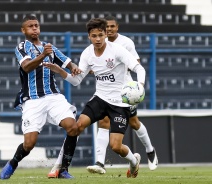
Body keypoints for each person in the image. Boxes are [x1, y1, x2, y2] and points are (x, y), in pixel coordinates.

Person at [47, 15, 158, 178]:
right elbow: (77, 81)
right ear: (89, 36)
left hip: (120, 103)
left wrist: (139, 85)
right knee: (76, 127)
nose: (98, 39)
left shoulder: (118, 50)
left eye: (100, 35)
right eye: (94, 36)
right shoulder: (87, 53)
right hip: (100, 99)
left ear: (106, 34)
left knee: (115, 146)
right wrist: (61, 71)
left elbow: (139, 69)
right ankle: (62, 168)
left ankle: (134, 161)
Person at [0, 14, 80, 180]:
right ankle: (13, 163)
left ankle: (63, 169)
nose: (34, 28)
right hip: (33, 100)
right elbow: (27, 67)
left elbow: (66, 61)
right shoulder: (22, 47)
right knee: (29, 144)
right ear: (23, 30)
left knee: (73, 127)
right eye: (30, 26)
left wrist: (74, 67)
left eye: (36, 25)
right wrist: (43, 55)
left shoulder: (48, 47)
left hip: (53, 96)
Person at [85, 15, 158, 174]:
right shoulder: (97, 43)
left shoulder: (126, 43)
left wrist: (138, 84)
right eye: (107, 27)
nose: (109, 29)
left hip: (126, 91)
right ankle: (99, 162)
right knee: (103, 121)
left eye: (112, 26)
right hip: (106, 91)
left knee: (134, 122)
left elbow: (136, 63)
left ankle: (150, 150)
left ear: (117, 27)